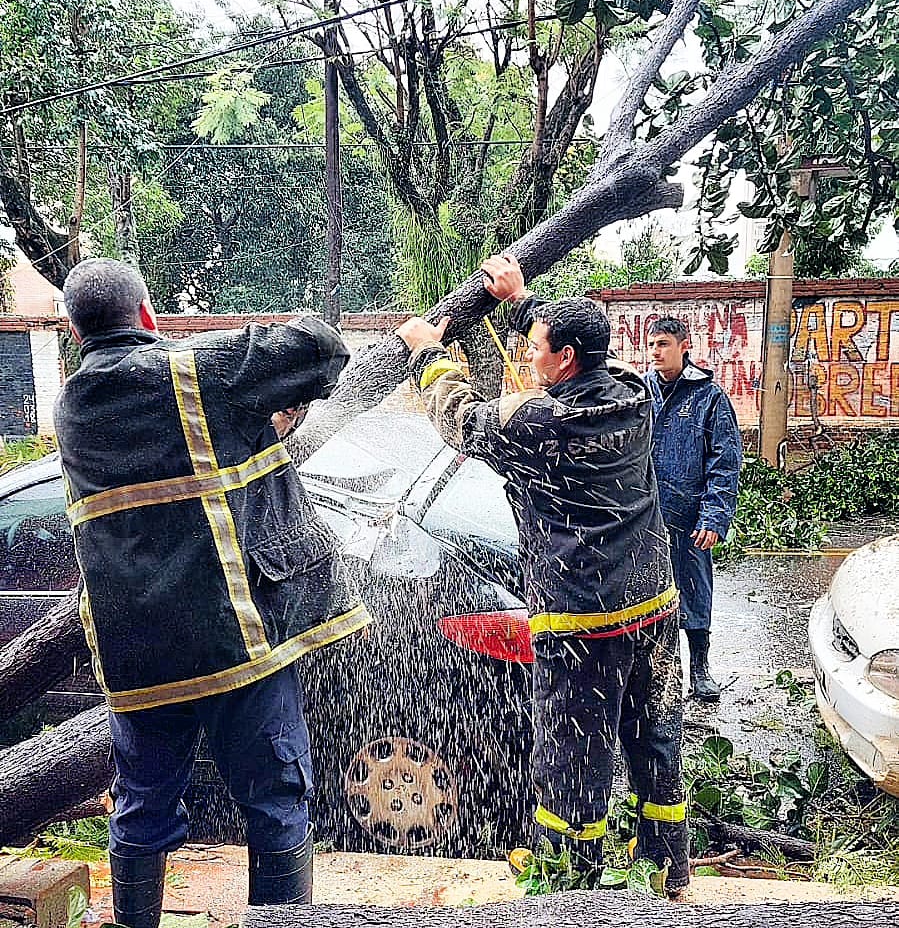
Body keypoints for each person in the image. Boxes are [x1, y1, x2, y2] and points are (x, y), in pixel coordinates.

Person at [54, 259, 371, 928]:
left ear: (74, 331)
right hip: (234, 639)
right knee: (276, 797)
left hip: (137, 658)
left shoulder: (72, 406)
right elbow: (320, 346)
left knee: (142, 804)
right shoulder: (195, 369)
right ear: (147, 315)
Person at [396, 255, 689, 893]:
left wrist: (428, 354)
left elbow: (464, 421)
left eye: (536, 350)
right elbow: (579, 352)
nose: (529, 359)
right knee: (653, 734)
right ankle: (665, 864)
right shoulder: (637, 396)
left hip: (583, 616)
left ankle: (567, 871)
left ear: (564, 360)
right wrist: (524, 303)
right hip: (654, 604)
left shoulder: (541, 423)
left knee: (574, 748)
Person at [645, 317, 742, 701]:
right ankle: (663, 672)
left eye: (664, 344)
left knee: (695, 590)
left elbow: (725, 462)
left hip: (690, 517)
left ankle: (700, 667)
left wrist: (715, 516)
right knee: (650, 594)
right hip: (645, 514)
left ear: (686, 346)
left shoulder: (709, 398)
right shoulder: (640, 392)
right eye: (652, 344)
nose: (656, 351)